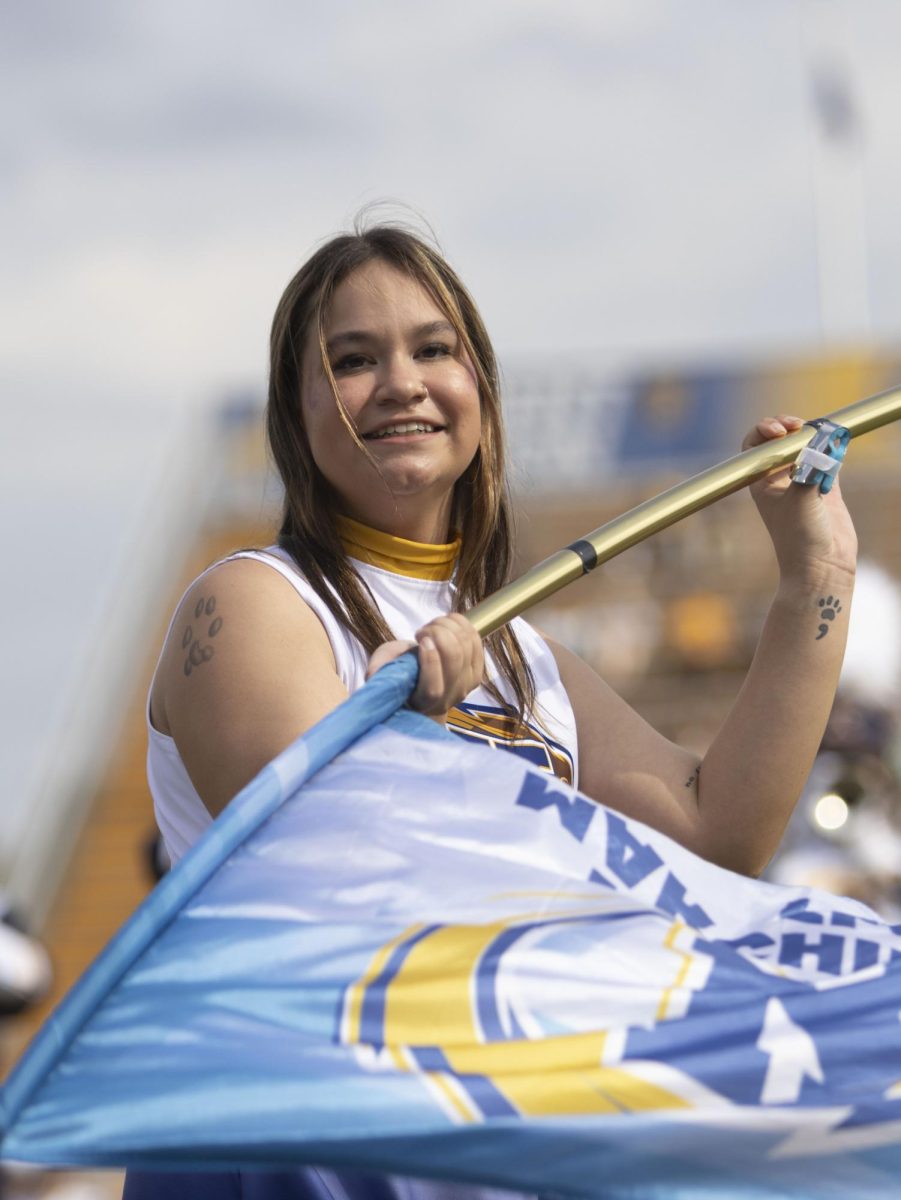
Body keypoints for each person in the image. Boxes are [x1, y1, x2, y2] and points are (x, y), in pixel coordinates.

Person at [124, 222, 857, 1198]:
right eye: (352, 360)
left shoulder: (525, 660)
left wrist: (817, 569)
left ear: (482, 394)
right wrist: (404, 733)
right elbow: (312, 882)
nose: (401, 381)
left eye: (434, 349)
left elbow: (717, 834)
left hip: (474, 1144)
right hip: (298, 1148)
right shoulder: (253, 603)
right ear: (294, 412)